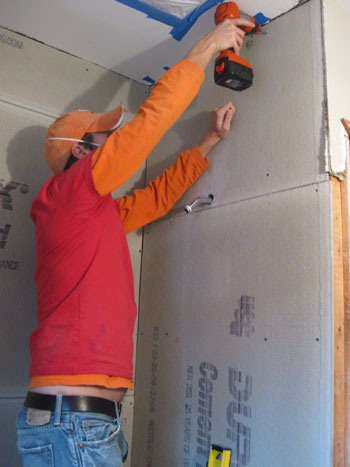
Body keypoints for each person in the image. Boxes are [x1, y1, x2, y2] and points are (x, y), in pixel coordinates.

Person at [16, 16, 254, 467]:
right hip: (74, 423)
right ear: (82, 153)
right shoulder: (67, 194)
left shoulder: (91, 213)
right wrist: (206, 47)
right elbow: (147, 127)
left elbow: (155, 199)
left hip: (83, 423)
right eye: (106, 135)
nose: (115, 140)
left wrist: (206, 142)